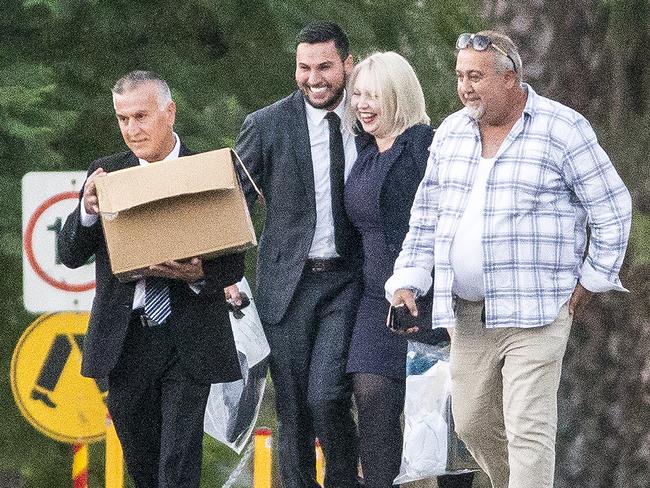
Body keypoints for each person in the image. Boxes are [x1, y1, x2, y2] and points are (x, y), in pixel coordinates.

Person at [385, 31, 632, 488]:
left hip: (538, 311)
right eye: (460, 76)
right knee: (471, 424)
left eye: (475, 77)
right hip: (468, 315)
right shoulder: (451, 133)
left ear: (510, 78)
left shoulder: (563, 128)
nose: (465, 87)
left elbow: (613, 207)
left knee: (528, 428)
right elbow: (425, 215)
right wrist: (408, 279)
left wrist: (590, 283)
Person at [58, 70, 245, 488]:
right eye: (123, 119)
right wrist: (87, 210)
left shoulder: (207, 168)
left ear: (169, 113)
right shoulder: (105, 173)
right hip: (127, 341)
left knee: (178, 465)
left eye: (141, 117)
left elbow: (234, 264)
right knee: (143, 468)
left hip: (189, 336)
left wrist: (199, 273)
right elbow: (69, 255)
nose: (132, 129)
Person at [234, 22, 361, 488]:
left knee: (327, 396)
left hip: (348, 280)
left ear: (347, 65)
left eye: (325, 67)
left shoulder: (368, 116)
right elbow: (232, 204)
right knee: (293, 410)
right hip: (286, 287)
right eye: (304, 68)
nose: (314, 78)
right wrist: (223, 274)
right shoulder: (265, 125)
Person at [343, 51, 474, 488]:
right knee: (373, 398)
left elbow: (449, 224)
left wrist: (433, 298)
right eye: (357, 94)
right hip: (373, 302)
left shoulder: (424, 147)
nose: (362, 104)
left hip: (425, 301)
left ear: (398, 96)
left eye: (373, 95)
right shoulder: (365, 151)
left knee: (435, 421)